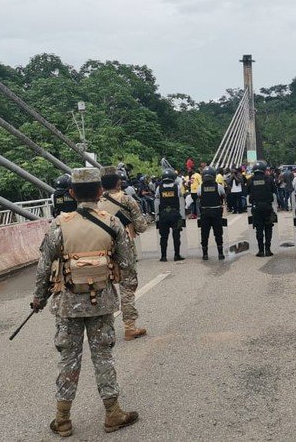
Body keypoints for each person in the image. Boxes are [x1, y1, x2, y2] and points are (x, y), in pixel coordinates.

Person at [31, 167, 139, 437]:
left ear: (71, 193)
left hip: (68, 304)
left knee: (69, 359)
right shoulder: (112, 224)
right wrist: (128, 288)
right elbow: (127, 264)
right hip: (102, 302)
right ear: (100, 191)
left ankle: (63, 419)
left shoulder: (58, 225)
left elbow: (44, 267)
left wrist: (38, 298)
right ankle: (113, 413)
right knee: (103, 357)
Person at [98, 167, 149, 340]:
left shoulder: (95, 202)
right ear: (119, 183)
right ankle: (129, 328)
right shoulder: (126, 200)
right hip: (124, 249)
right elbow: (141, 226)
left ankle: (104, 329)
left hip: (101, 250)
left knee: (102, 289)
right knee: (127, 289)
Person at [246, 160, 277, 257]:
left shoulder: (250, 180)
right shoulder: (269, 179)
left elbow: (247, 192)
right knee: (268, 228)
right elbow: (274, 191)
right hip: (267, 207)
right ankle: (268, 249)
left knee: (259, 229)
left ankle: (260, 250)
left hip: (256, 207)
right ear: (264, 169)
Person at [155, 167, 185, 262]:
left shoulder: (159, 188)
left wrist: (157, 218)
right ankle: (177, 255)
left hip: (163, 215)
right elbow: (181, 202)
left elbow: (156, 202)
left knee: (163, 236)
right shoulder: (178, 187)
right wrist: (182, 218)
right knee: (177, 235)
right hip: (176, 215)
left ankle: (163, 256)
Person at [197, 166, 226, 261]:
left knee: (204, 233)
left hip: (204, 212)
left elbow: (199, 196)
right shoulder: (219, 186)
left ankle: (205, 254)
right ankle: (220, 253)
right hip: (216, 212)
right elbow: (223, 196)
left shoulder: (200, 187)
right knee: (218, 233)